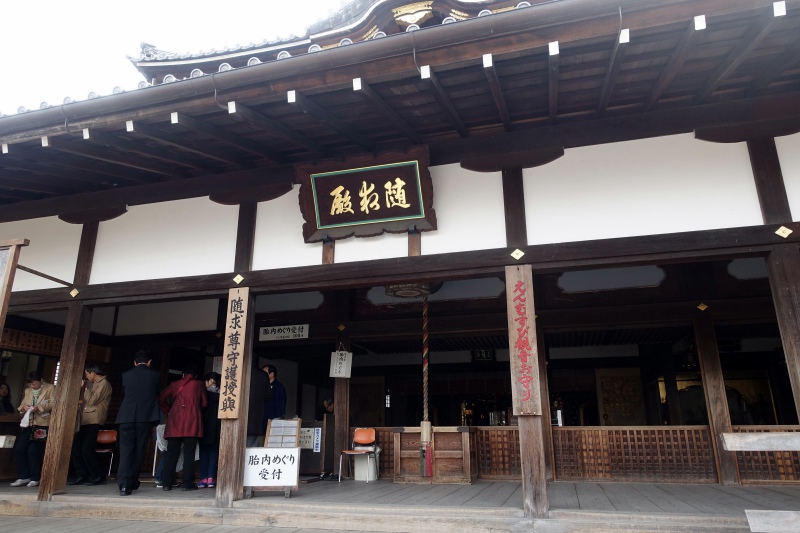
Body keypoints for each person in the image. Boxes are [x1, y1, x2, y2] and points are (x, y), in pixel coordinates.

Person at [115, 349, 161, 496]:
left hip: (126, 417)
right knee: (139, 451)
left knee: (126, 452)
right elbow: (156, 394)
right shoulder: (155, 375)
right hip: (145, 418)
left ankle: (123, 485)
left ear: (134, 363)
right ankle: (132, 482)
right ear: (149, 362)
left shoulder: (126, 375)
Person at [158, 365, 206, 491]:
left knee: (171, 453)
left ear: (183, 375)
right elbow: (204, 403)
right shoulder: (199, 384)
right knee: (189, 454)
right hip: (192, 422)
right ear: (195, 376)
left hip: (175, 422)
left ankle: (166, 483)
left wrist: (168, 410)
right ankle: (187, 484)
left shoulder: (174, 384)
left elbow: (161, 398)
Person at [69, 364, 112, 485]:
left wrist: (86, 388)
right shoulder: (96, 383)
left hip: (94, 420)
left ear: (93, 373)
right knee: (76, 448)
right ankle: (82, 474)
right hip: (86, 420)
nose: (86, 377)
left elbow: (93, 400)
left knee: (87, 449)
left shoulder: (104, 384)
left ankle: (98, 475)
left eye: (87, 374)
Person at [11, 371, 55, 488]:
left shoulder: (51, 388)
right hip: (29, 423)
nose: (32, 386)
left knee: (33, 451)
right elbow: (22, 405)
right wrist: (24, 407)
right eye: (30, 384)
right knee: (19, 449)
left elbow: (53, 403)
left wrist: (39, 407)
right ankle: (24, 476)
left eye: (34, 383)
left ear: (41, 380)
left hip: (42, 424)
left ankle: (35, 477)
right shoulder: (28, 391)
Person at [197, 372, 221, 488]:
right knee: (214, 452)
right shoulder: (223, 395)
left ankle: (203, 478)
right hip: (216, 427)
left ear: (208, 381)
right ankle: (211, 478)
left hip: (204, 426)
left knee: (203, 452)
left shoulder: (203, 393)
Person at [247, 360, 271, 447]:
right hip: (255, 419)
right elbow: (268, 396)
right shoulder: (263, 375)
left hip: (236, 419)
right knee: (252, 449)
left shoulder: (237, 372)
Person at [262, 364, 286, 433]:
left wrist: (278, 418)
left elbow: (281, 404)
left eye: (265, 372)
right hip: (262, 419)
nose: (262, 374)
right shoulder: (262, 386)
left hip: (273, 419)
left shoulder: (279, 387)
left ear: (272, 374)